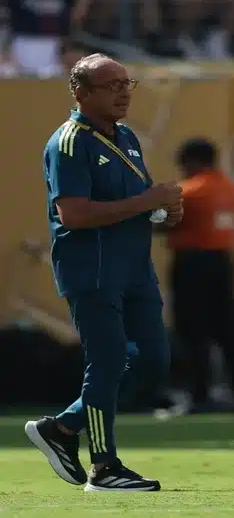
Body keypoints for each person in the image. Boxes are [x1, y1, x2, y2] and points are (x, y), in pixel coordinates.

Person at [25, 53, 183, 492]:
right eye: (111, 85)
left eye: (126, 83)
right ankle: (105, 467)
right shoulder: (70, 142)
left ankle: (63, 428)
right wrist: (148, 201)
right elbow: (73, 213)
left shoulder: (126, 137)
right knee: (109, 361)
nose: (124, 91)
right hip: (91, 266)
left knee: (153, 361)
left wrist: (164, 213)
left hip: (134, 266)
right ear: (80, 92)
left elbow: (138, 204)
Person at [164, 138, 234, 412]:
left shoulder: (189, 191)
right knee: (226, 329)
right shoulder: (231, 191)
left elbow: (164, 221)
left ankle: (198, 393)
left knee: (192, 330)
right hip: (222, 262)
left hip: (192, 263)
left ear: (193, 162)